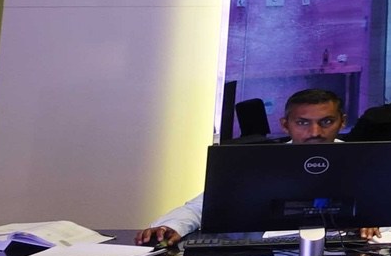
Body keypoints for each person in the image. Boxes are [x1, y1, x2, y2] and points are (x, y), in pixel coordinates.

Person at [137, 87, 348, 246]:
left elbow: (371, 211)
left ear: (342, 122)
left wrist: (370, 226)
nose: (315, 132)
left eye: (326, 122)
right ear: (285, 125)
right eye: (302, 122)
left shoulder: (362, 162)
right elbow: (202, 206)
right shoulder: (258, 162)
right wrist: (170, 226)